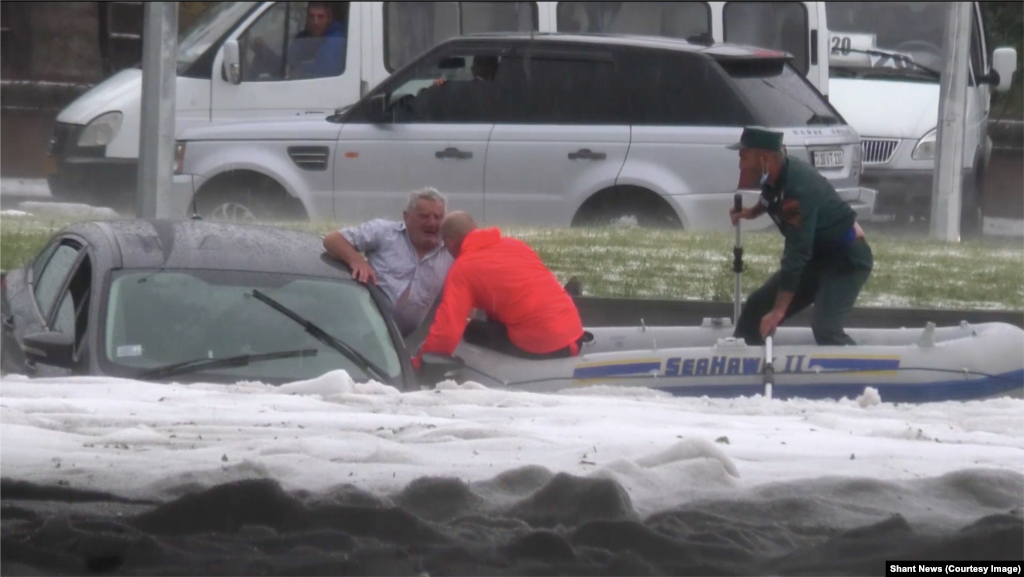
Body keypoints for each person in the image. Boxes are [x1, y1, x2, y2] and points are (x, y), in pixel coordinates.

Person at [727, 126, 874, 346]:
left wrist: (778, 312)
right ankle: (744, 360)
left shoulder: (797, 194)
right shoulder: (775, 172)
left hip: (845, 260)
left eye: (743, 157)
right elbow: (770, 196)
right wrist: (752, 212)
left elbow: (796, 255)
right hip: (817, 257)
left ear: (764, 159)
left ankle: (861, 364)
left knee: (825, 328)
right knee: (757, 307)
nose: (740, 165)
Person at [412, 212, 585, 370]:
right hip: (574, 334)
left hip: (544, 347)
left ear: (449, 242)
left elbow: (447, 329)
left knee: (471, 330)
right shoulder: (515, 245)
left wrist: (421, 362)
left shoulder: (463, 268)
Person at [322, 188, 453, 337]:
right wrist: (356, 261)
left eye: (438, 217)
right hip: (360, 327)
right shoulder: (384, 232)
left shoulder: (450, 251)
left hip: (404, 341)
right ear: (406, 217)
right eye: (424, 216)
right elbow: (332, 240)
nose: (432, 222)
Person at [288, 2, 347, 79]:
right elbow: (289, 65)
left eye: (321, 17)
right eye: (311, 16)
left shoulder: (337, 39)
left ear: (329, 19)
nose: (315, 22)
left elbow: (324, 73)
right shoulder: (302, 37)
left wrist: (301, 69)